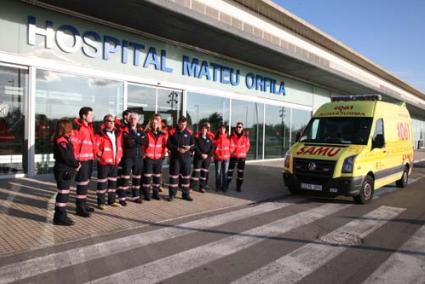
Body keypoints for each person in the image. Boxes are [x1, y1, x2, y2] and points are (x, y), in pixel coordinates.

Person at [53, 118, 81, 225]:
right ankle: (59, 217)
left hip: (65, 169)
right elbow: (68, 157)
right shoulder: (61, 140)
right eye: (70, 126)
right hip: (63, 170)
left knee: (64, 193)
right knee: (63, 194)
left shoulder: (64, 139)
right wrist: (77, 164)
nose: (72, 128)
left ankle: (62, 215)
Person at [71, 107, 97, 217]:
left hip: (89, 159)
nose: (92, 117)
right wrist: (76, 161)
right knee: (81, 184)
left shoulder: (89, 127)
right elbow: (74, 145)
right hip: (82, 161)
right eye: (90, 115)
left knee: (86, 183)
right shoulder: (78, 128)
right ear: (84, 116)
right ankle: (79, 208)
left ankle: (83, 204)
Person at [118, 112, 146, 205]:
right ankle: (122, 198)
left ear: (138, 120)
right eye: (132, 118)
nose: (133, 120)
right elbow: (128, 143)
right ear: (129, 120)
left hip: (139, 158)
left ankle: (136, 196)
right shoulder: (125, 129)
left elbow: (144, 141)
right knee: (125, 178)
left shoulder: (141, 129)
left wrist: (134, 138)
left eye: (135, 118)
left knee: (137, 178)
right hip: (128, 158)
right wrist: (138, 139)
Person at [95, 114, 123, 209]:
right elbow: (95, 148)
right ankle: (101, 203)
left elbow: (119, 147)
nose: (111, 123)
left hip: (114, 162)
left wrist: (119, 157)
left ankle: (112, 201)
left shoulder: (117, 134)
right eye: (109, 121)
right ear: (105, 122)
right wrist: (101, 156)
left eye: (113, 121)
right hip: (104, 163)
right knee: (102, 183)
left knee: (113, 183)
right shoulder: (100, 134)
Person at [167, 116, 195, 201]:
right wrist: (177, 149)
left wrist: (189, 148)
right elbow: (168, 144)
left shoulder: (189, 132)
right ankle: (172, 195)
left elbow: (194, 144)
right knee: (174, 177)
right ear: (178, 123)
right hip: (175, 159)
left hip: (186, 159)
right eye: (181, 124)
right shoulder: (172, 132)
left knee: (186, 177)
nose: (183, 126)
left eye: (185, 124)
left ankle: (185, 194)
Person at [143, 114, 168, 200]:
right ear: (151, 124)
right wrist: (144, 154)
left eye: (156, 123)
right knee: (147, 177)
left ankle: (155, 193)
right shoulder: (147, 133)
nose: (154, 125)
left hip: (158, 158)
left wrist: (163, 154)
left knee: (157, 177)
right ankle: (147, 194)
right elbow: (143, 146)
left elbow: (165, 145)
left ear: (159, 124)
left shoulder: (162, 134)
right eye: (153, 123)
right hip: (148, 158)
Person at [191, 123, 215, 193]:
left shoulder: (209, 139)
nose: (204, 130)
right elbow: (195, 147)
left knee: (204, 174)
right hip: (198, 158)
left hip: (206, 159)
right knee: (196, 173)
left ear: (207, 130)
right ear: (201, 130)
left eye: (205, 129)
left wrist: (207, 155)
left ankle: (202, 187)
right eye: (203, 129)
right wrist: (201, 154)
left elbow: (212, 148)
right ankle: (191, 187)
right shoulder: (197, 138)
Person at [228, 122, 250, 192]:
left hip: (241, 157)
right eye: (237, 127)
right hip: (233, 156)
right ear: (236, 127)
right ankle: (227, 184)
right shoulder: (231, 136)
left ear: (242, 128)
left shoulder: (245, 137)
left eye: (240, 127)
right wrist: (232, 152)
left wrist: (243, 152)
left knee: (240, 173)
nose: (238, 128)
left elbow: (247, 146)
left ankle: (239, 186)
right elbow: (229, 145)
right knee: (229, 172)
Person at [213, 124, 231, 192]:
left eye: (223, 128)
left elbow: (231, 147)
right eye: (220, 128)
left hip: (226, 159)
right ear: (218, 130)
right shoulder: (216, 139)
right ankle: (218, 187)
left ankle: (224, 187)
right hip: (218, 159)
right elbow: (213, 149)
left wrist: (229, 154)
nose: (222, 130)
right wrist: (215, 155)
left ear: (225, 129)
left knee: (225, 173)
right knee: (218, 173)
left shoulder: (228, 138)